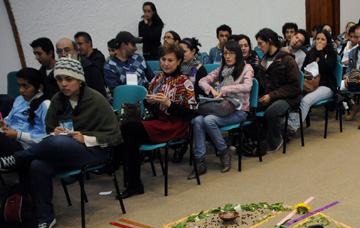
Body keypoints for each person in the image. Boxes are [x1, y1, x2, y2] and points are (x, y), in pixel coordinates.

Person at [0, 58, 122, 228]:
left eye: (68, 79)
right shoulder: (58, 99)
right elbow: (49, 129)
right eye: (59, 79)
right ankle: (45, 218)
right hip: (64, 151)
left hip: (94, 152)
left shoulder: (96, 99)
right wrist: (55, 131)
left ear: (79, 80)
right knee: (37, 166)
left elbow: (115, 136)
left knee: (56, 143)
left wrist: (85, 138)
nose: (63, 84)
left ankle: (17, 158)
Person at [117, 43, 196, 198]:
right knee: (129, 134)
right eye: (163, 59)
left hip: (175, 125)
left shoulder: (184, 82)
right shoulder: (157, 78)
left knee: (128, 129)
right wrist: (149, 101)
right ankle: (133, 183)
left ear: (179, 61)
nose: (166, 63)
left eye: (170, 60)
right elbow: (150, 107)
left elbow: (191, 113)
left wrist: (169, 104)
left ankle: (132, 182)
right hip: (159, 122)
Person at [192, 41, 252, 178]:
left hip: (240, 110)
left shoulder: (246, 68)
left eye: (231, 53)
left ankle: (223, 152)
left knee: (209, 120)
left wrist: (224, 89)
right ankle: (199, 160)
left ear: (237, 54)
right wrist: (212, 90)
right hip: (222, 107)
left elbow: (247, 86)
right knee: (198, 120)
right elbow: (202, 81)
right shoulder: (222, 68)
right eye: (225, 53)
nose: (228, 56)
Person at [255, 28, 301, 154]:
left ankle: (275, 141)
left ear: (269, 41)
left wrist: (271, 95)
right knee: (250, 108)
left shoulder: (287, 60)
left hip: (289, 97)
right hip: (271, 95)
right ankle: (260, 138)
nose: (258, 47)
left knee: (272, 112)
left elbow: (295, 87)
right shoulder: (263, 61)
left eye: (260, 43)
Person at [286, 30, 337, 136]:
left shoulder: (331, 54)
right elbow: (304, 69)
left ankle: (293, 128)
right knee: (294, 96)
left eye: (322, 39)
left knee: (305, 101)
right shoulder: (310, 53)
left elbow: (326, 67)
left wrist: (320, 52)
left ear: (327, 42)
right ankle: (287, 124)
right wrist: (306, 75)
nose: (319, 41)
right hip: (310, 84)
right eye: (317, 39)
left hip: (326, 85)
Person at [0, 68, 50, 158]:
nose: (21, 90)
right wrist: (4, 124)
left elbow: (48, 137)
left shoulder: (45, 105)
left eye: (25, 86)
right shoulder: (19, 99)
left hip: (25, 147)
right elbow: (9, 118)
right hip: (10, 138)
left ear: (39, 87)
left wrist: (18, 135)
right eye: (19, 86)